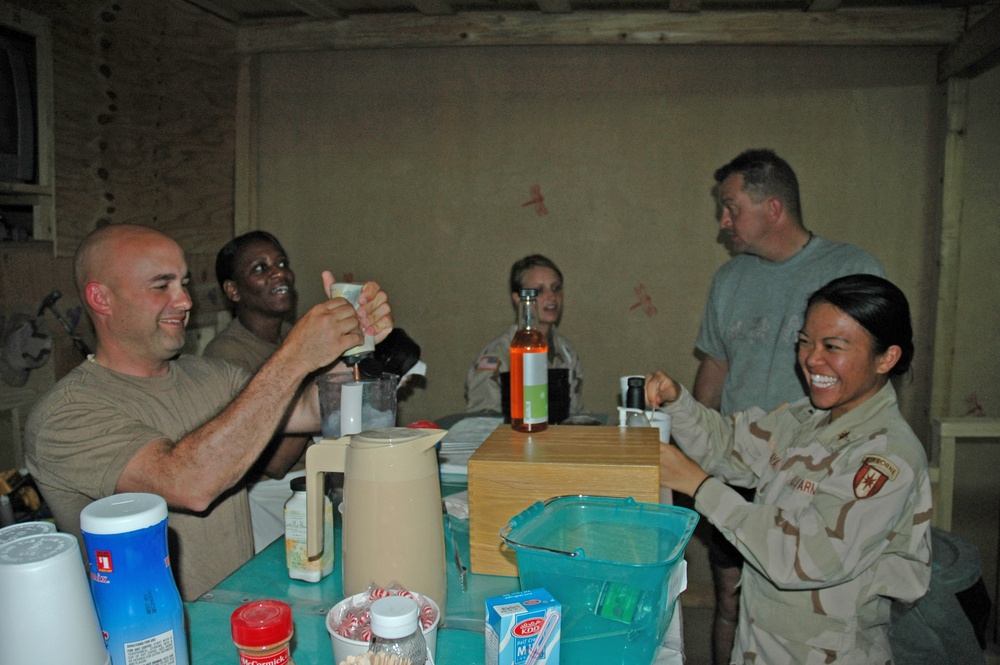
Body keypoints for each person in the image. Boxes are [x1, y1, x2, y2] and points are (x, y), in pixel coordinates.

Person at [23, 224, 392, 600]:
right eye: (161, 286)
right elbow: (190, 484)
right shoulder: (64, 415)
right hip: (152, 639)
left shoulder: (211, 375)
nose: (184, 301)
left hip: (245, 609)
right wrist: (296, 356)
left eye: (183, 284)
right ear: (101, 299)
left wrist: (354, 341)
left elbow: (315, 410)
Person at [646, 274, 932, 664]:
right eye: (805, 343)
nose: (812, 359)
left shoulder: (887, 457)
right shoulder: (809, 417)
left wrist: (700, 488)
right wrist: (678, 402)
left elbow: (807, 555)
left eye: (833, 346)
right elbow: (730, 446)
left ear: (886, 358)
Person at [694, 148, 885, 664]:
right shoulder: (729, 280)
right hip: (738, 467)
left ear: (773, 208)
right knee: (732, 604)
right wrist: (692, 455)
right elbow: (715, 371)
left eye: (731, 207)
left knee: (807, 621)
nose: (723, 220)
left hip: (815, 476)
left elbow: (877, 378)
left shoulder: (849, 269)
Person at [202, 231, 311, 553]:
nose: (280, 273)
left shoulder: (293, 339)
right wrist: (314, 372)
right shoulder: (225, 357)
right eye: (260, 268)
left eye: (281, 263)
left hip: (313, 484)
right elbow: (275, 463)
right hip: (268, 502)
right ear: (233, 291)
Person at [465, 254, 583, 417]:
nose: (552, 297)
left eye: (556, 288)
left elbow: (572, 414)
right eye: (539, 291)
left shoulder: (566, 351)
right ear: (518, 298)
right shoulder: (499, 354)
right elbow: (483, 420)